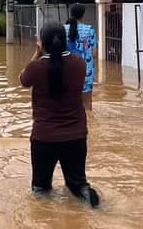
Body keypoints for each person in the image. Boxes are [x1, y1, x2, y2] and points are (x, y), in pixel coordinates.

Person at [19, 22, 100, 208]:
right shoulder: (79, 63)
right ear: (64, 41)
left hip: (44, 137)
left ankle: (43, 217)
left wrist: (37, 53)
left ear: (42, 43)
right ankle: (93, 204)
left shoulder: (36, 67)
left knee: (40, 189)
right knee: (78, 185)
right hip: (76, 136)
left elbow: (23, 80)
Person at [64, 3, 97, 110]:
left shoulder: (63, 29)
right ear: (83, 15)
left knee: (68, 105)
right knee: (87, 105)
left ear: (71, 13)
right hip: (86, 72)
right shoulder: (89, 29)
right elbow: (94, 54)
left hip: (66, 72)